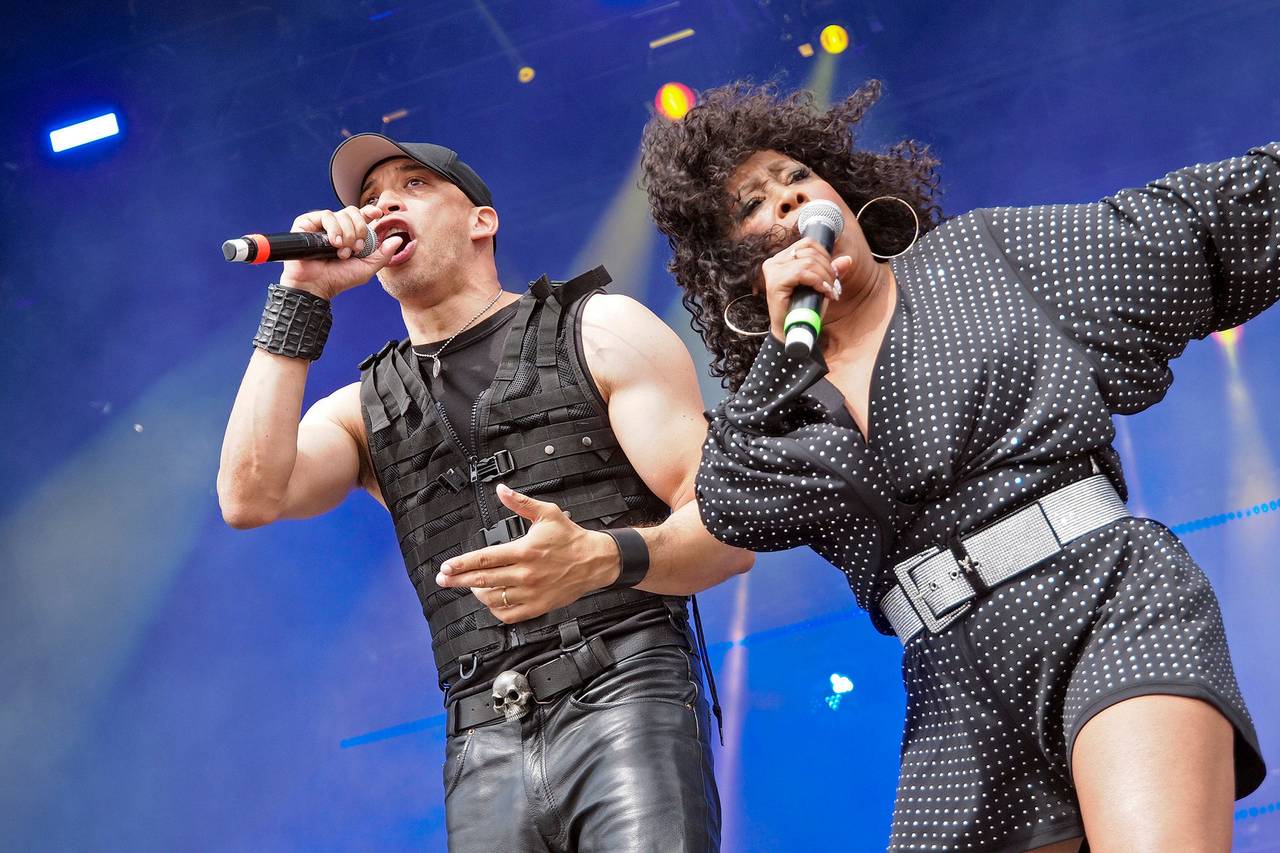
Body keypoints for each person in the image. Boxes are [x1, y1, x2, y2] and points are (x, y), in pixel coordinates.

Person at [640, 80, 1273, 852]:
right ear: (739, 268)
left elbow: (1194, 227)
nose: (788, 198)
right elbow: (729, 502)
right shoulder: (782, 403)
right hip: (952, 688)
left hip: (1103, 599)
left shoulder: (984, 257)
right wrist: (781, 349)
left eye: (797, 176)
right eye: (753, 205)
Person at [217, 132, 752, 852]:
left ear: (481, 220)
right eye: (369, 199)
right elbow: (249, 497)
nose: (382, 206)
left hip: (626, 690)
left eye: (412, 185)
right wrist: (301, 295)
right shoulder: (360, 412)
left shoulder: (600, 329)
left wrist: (601, 558)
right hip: (480, 738)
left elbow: (728, 534)